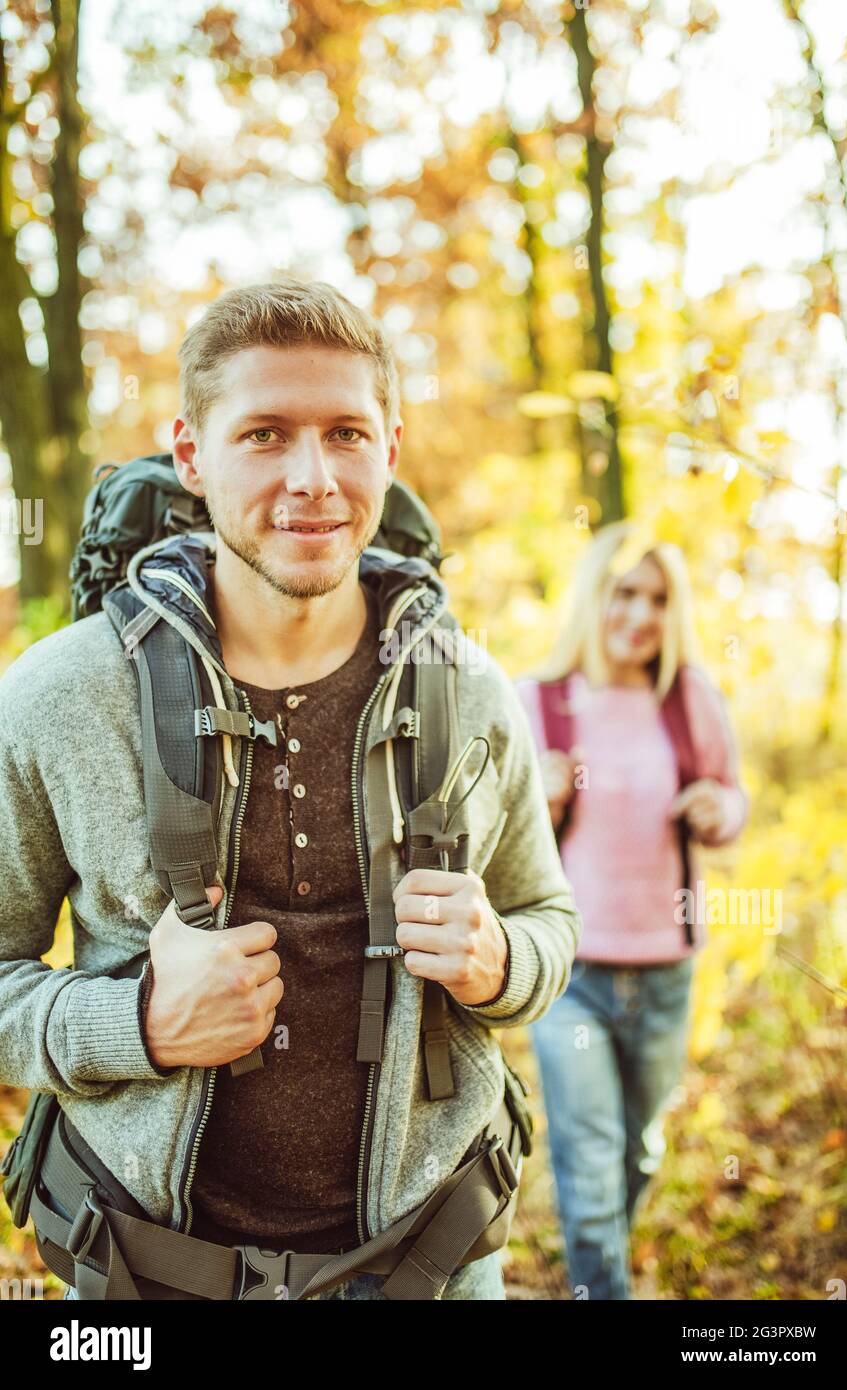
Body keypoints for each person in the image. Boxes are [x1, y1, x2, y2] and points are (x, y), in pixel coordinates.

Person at [0, 279, 580, 1301]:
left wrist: (499, 960)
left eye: (346, 434)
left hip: (434, 1262)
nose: (312, 478)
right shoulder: (55, 697)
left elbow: (548, 920)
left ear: (388, 450)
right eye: (264, 434)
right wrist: (131, 1023)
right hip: (146, 1274)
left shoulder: (470, 689)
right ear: (191, 454)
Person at [514, 521, 747, 1300]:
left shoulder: (688, 699)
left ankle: (604, 1250)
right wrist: (537, 800)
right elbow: (493, 840)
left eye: (657, 598)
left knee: (637, 1152)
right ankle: (601, 1283)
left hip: (667, 969)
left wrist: (719, 808)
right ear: (593, 596)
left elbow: (731, 794)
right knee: (588, 1154)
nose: (641, 614)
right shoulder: (538, 701)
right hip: (572, 969)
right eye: (624, 593)